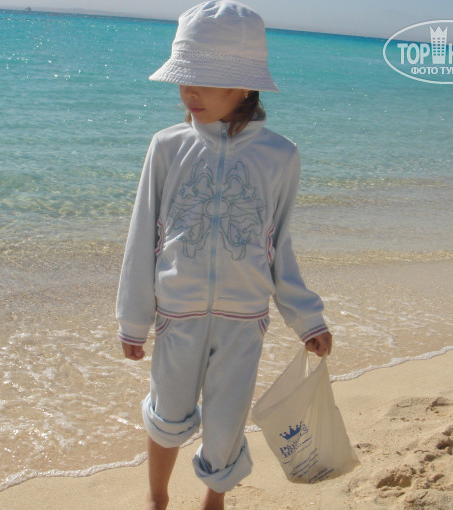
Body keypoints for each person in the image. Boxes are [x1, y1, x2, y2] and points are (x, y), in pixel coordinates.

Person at [116, 2, 332, 509]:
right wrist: (133, 319)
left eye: (203, 80)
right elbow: (142, 235)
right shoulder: (166, 146)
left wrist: (307, 319)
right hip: (178, 313)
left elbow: (279, 243)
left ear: (244, 86)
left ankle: (214, 500)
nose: (187, 92)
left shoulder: (280, 155)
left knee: (227, 423)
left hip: (244, 320)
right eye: (183, 79)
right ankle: (156, 497)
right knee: (166, 413)